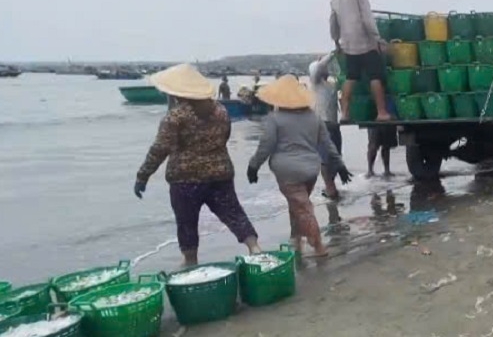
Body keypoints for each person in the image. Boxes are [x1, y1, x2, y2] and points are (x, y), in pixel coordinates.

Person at [134, 64, 261, 267]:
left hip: (186, 179)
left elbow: (160, 149)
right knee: (234, 213)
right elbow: (224, 137)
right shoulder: (220, 110)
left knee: (187, 223)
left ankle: (190, 261)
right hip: (221, 174)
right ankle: (255, 249)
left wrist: (143, 176)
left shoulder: (175, 116)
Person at [247, 75, 353, 258]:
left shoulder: (274, 119)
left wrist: (253, 166)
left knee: (302, 207)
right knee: (297, 203)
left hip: (287, 172)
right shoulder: (314, 118)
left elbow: (266, 146)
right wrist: (340, 165)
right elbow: (327, 145)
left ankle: (318, 245)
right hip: (311, 169)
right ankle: (296, 239)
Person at [330, 0, 391, 123]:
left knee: (351, 77)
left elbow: (333, 23)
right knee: (376, 76)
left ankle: (344, 113)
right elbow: (368, 20)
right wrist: (378, 39)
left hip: (348, 45)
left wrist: (337, 41)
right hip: (366, 43)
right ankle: (381, 112)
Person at [308, 54, 344, 199]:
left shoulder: (331, 85)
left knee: (336, 156)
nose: (326, 68)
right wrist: (334, 53)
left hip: (333, 125)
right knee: (324, 158)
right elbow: (318, 68)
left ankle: (330, 185)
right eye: (324, 67)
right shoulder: (315, 83)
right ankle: (330, 187)